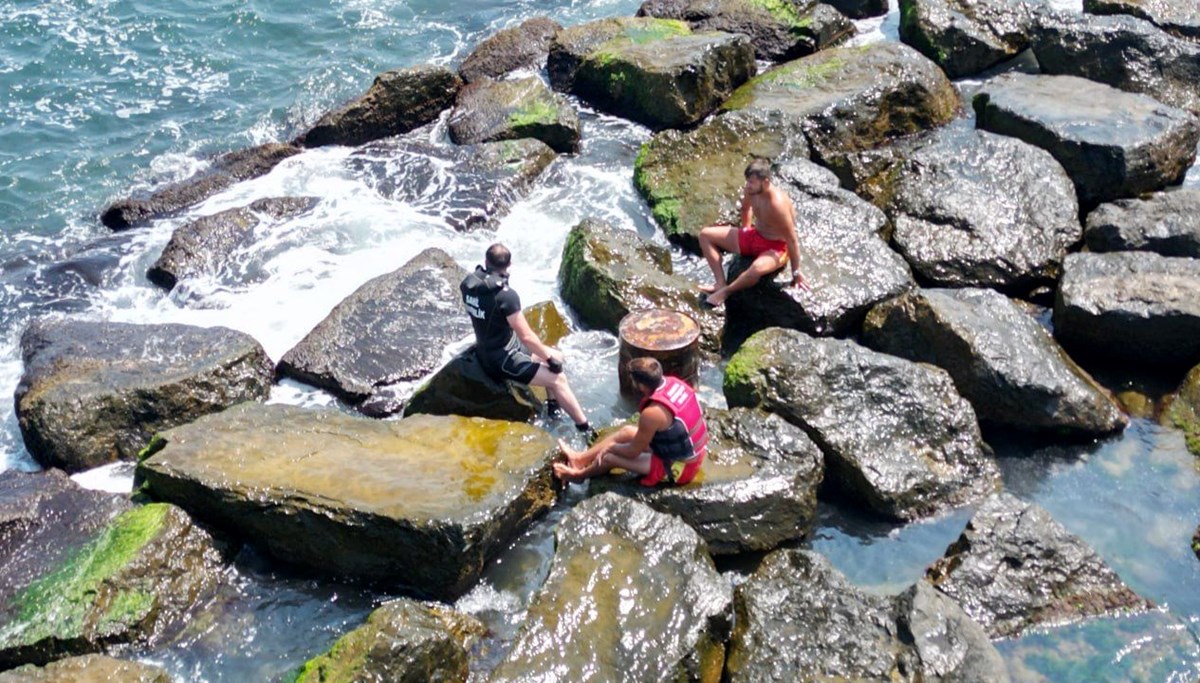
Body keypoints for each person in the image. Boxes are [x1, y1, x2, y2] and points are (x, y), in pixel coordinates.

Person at [461, 243, 591, 433]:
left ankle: (553, 409)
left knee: (558, 355)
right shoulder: (505, 297)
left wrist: (550, 356)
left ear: (486, 261)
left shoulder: (468, 285)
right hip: (502, 360)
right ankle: (585, 428)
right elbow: (527, 337)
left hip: (490, 348)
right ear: (510, 264)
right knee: (558, 378)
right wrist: (549, 359)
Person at [554, 357, 707, 487]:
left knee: (609, 458)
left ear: (640, 385)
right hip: (689, 452)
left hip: (681, 467)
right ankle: (580, 459)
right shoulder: (675, 383)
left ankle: (579, 475)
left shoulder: (652, 413)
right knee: (627, 431)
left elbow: (633, 451)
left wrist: (610, 448)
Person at [697, 158, 809, 307]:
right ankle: (720, 283)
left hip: (776, 247)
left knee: (756, 269)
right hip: (755, 235)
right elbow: (746, 209)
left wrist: (796, 272)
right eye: (748, 181)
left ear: (766, 182)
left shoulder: (777, 205)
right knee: (705, 235)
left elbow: (792, 240)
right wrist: (745, 229)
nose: (748, 185)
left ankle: (726, 292)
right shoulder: (751, 191)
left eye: (752, 182)